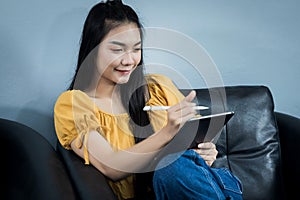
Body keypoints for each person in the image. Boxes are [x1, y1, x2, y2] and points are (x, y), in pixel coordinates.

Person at [53, 0, 243, 199]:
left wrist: (205, 153)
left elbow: (191, 150)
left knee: (177, 164)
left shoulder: (157, 87)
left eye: (136, 49)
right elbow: (109, 165)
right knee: (169, 165)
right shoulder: (74, 104)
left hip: (203, 187)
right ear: (93, 50)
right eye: (117, 50)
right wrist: (167, 134)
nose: (129, 60)